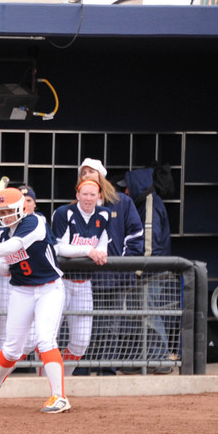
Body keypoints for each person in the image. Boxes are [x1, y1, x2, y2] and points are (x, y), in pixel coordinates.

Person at [0, 188, 69, 413]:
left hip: (49, 288)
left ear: (20, 208)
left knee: (45, 340)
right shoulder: (2, 234)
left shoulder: (35, 222)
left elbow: (16, 245)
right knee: (12, 348)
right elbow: (5, 269)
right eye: (1, 212)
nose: (4, 216)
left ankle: (60, 397)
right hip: (21, 290)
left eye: (8, 211)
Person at [78, 158, 144, 374]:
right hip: (84, 278)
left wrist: (122, 264)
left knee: (110, 327)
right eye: (83, 172)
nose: (86, 175)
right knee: (84, 326)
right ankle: (82, 370)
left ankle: (106, 371)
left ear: (101, 175)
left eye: (91, 171)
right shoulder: (77, 206)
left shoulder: (121, 202)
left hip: (114, 278)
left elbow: (136, 235)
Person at [51, 178, 111, 375]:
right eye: (84, 194)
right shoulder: (64, 213)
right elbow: (59, 247)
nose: (88, 198)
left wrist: (100, 252)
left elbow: (102, 244)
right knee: (48, 337)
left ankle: (62, 377)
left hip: (84, 283)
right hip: (60, 282)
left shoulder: (104, 214)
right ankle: (44, 380)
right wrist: (88, 251)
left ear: (99, 196)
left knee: (81, 341)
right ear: (77, 195)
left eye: (92, 194)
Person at [123, 166, 176, 372]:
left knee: (150, 314)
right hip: (149, 270)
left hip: (151, 271)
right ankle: (144, 360)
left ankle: (161, 359)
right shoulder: (144, 202)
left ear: (137, 186)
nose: (126, 191)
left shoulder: (150, 203)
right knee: (142, 315)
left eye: (128, 187)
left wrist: (138, 270)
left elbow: (149, 242)